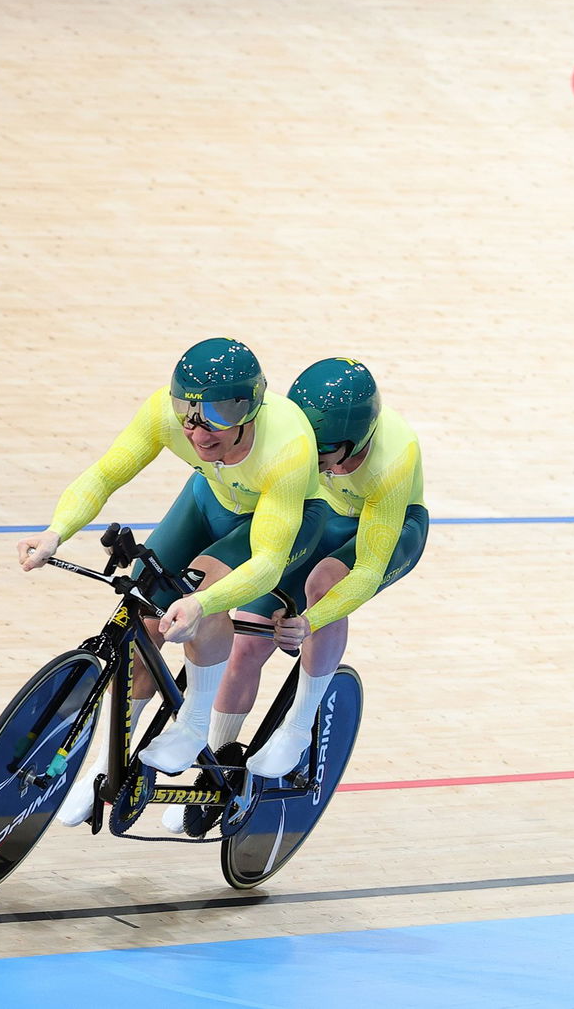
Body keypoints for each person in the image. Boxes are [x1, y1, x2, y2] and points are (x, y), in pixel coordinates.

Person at [15, 337, 329, 826]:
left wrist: (203, 605)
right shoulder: (167, 415)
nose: (198, 428)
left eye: (219, 413)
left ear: (250, 409)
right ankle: (103, 766)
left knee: (202, 591)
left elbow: (267, 563)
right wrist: (56, 531)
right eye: (189, 409)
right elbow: (104, 474)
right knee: (142, 613)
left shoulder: (286, 444)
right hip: (210, 498)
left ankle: (196, 721)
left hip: (280, 523)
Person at [159, 356, 428, 832]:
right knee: (247, 644)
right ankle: (215, 767)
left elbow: (365, 571)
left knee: (325, 581)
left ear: (358, 441)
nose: (316, 460)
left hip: (385, 527)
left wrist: (311, 620)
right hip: (319, 517)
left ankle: (299, 725)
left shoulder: (394, 455)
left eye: (326, 456)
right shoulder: (291, 432)